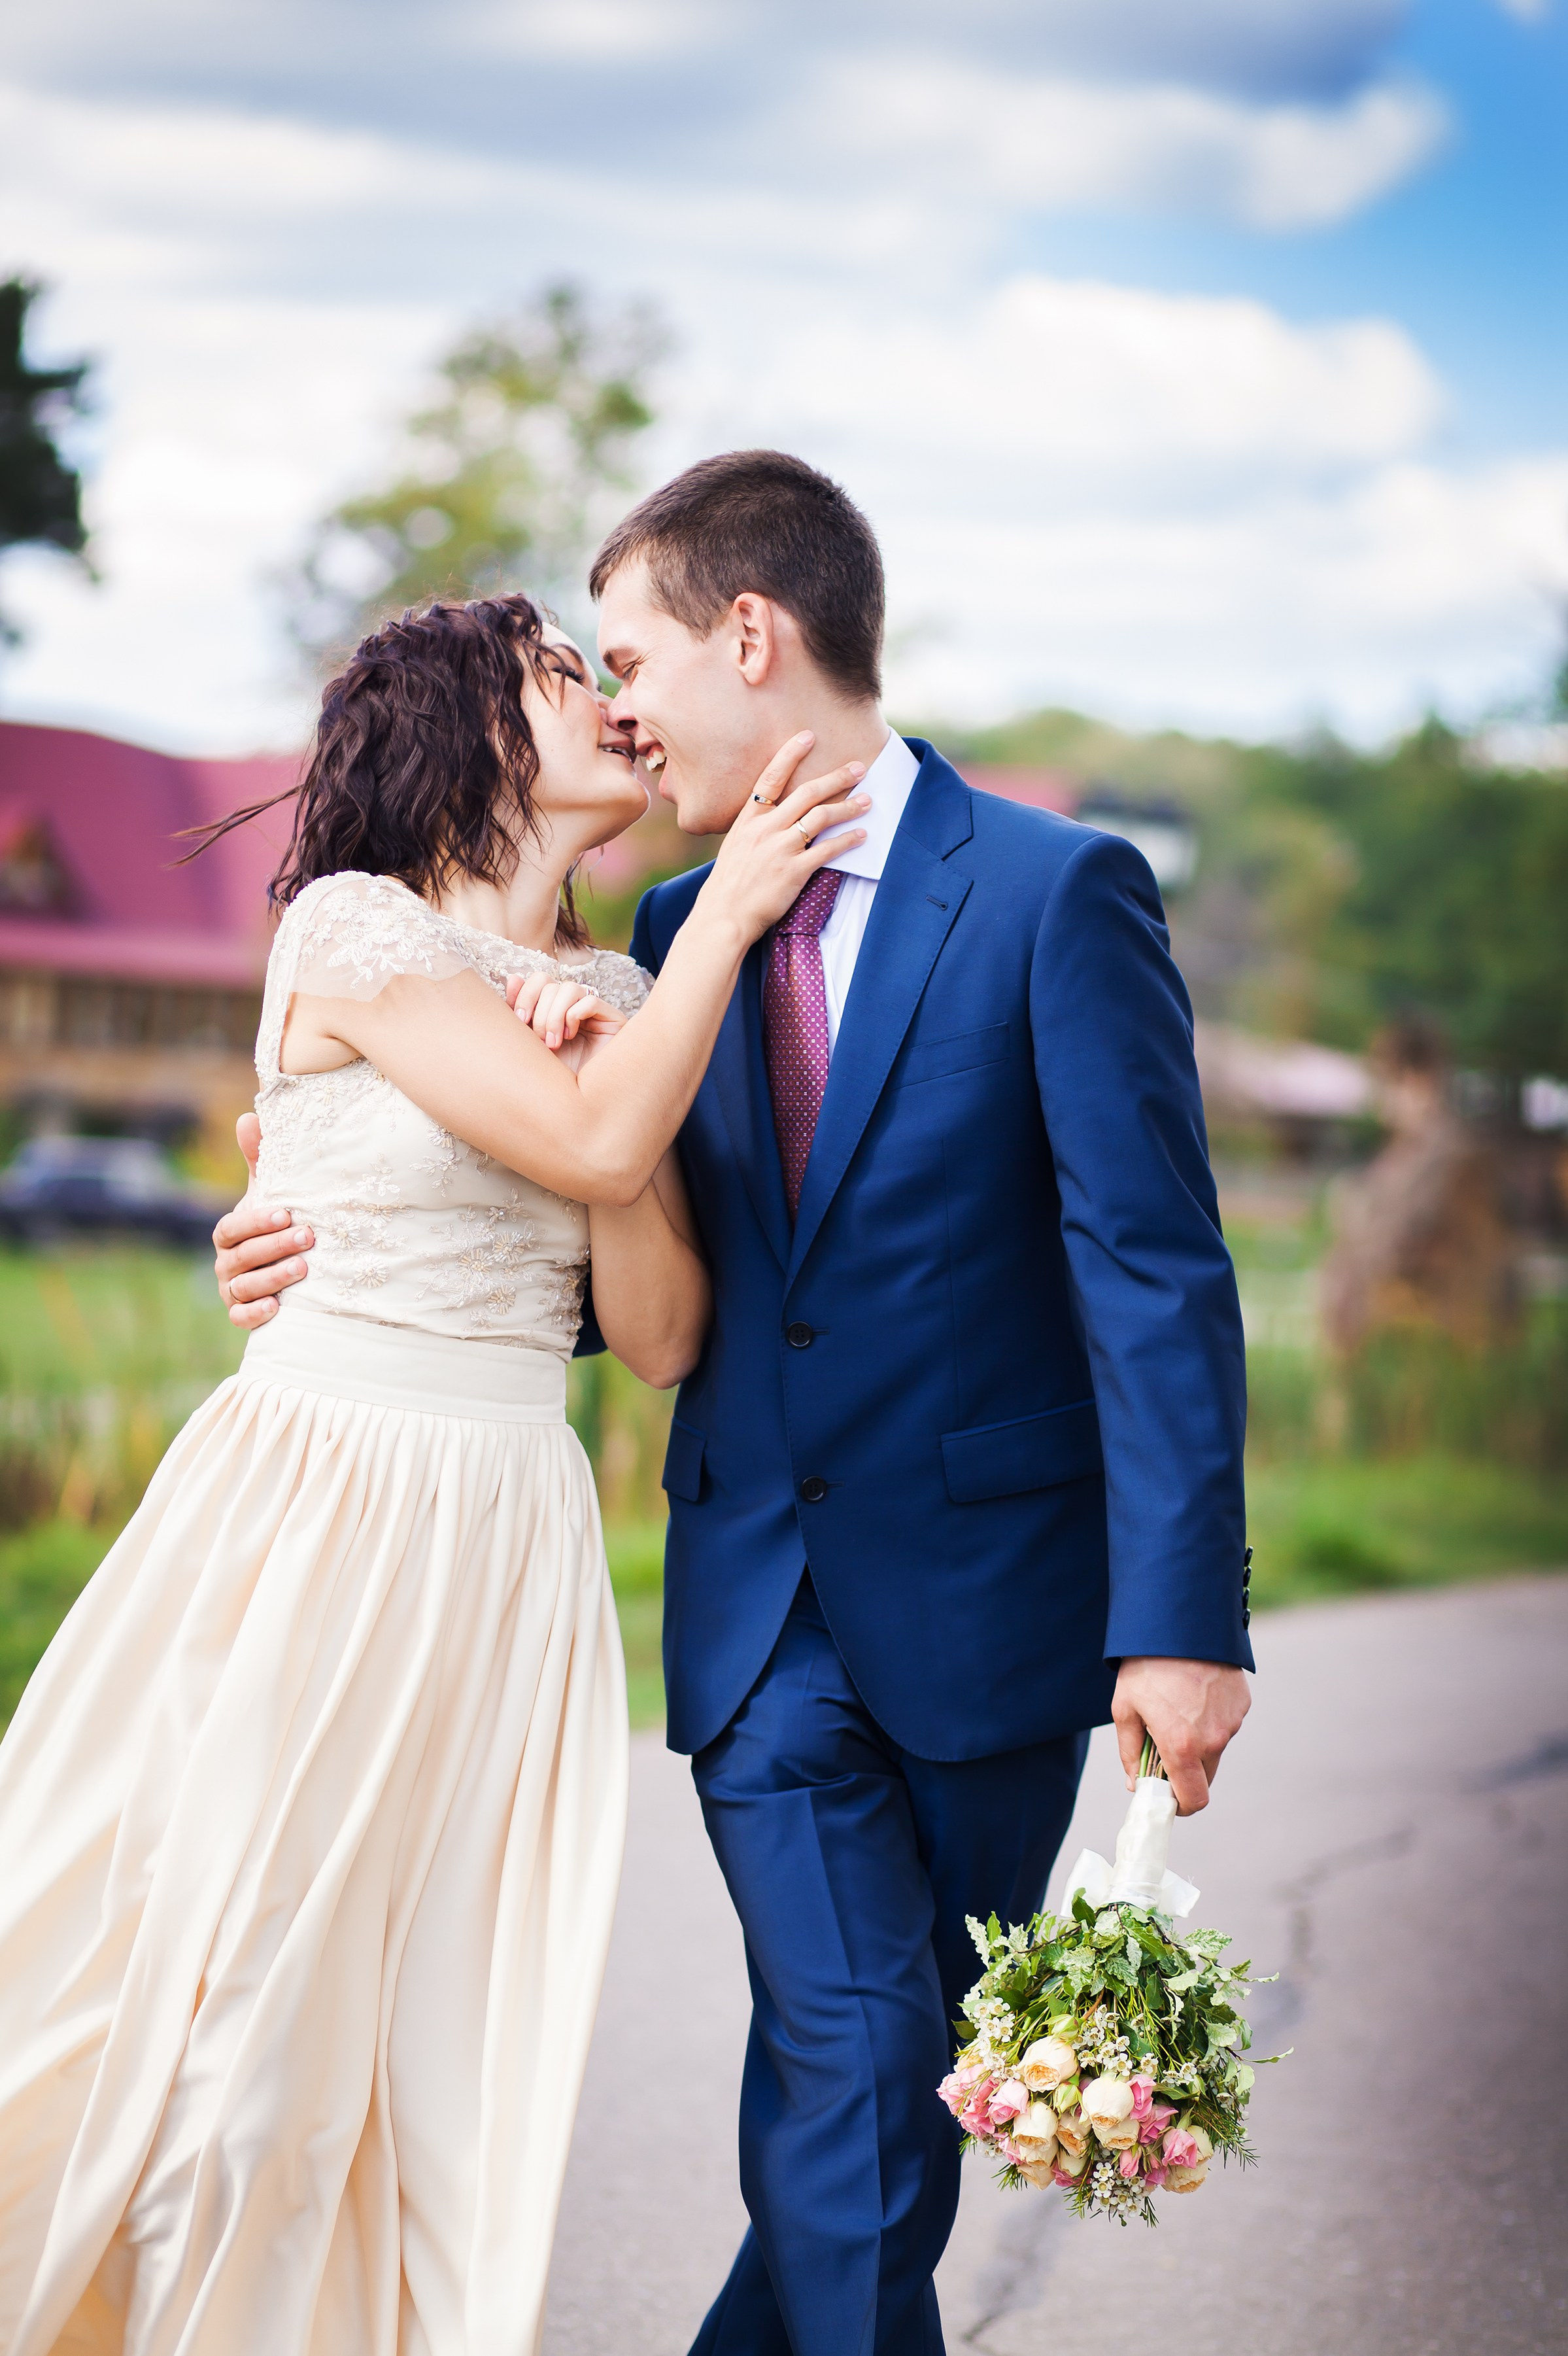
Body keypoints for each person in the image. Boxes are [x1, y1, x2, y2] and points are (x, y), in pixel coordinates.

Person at [218, 453, 1254, 2356]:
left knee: (875, 2100)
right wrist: (308, 1235)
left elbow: (1155, 1272)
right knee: (858, 2057)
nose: (617, 703)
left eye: (633, 656)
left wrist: (1183, 1623)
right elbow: (607, 1236)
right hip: (757, 1606)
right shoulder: (673, 924)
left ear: (753, 637)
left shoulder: (1054, 892)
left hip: (996, 1612)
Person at [0, 589, 866, 2356]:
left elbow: (668, 1327)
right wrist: (720, 946)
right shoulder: (353, 932)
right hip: (325, 1504)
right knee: (235, 2013)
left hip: (505, 1532)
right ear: (477, 728)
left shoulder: (620, 990)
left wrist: (618, 1083)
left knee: (412, 2042)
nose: (620, 707)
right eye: (573, 679)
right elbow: (587, 1126)